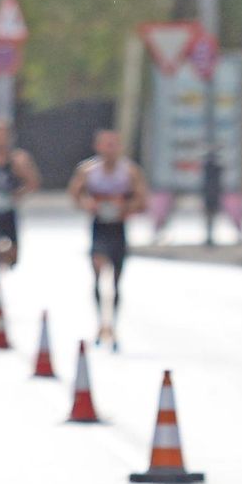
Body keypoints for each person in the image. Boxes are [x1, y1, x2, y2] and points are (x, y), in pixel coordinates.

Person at [67, 130, 148, 352]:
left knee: (115, 280)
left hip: (118, 227)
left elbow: (142, 200)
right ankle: (99, 322)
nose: (110, 149)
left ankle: (112, 324)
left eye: (114, 144)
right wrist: (88, 204)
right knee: (98, 269)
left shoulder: (129, 171)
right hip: (99, 227)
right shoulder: (88, 170)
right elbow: (75, 194)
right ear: (98, 147)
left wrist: (125, 207)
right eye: (106, 145)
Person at [0, 119, 41, 272]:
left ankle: (3, 265)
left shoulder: (17, 160)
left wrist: (18, 193)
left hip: (9, 211)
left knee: (12, 253)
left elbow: (33, 182)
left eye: (2, 135)